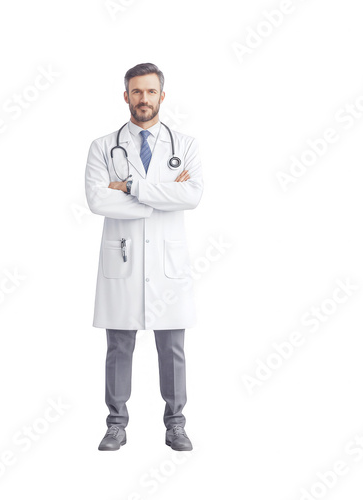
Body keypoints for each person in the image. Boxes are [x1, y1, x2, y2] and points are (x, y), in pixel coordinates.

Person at [84, 62, 204, 451]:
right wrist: (160, 194)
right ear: (125, 96)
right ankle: (116, 424)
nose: (144, 99)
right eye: (136, 92)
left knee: (172, 348)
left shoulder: (185, 145)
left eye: (151, 92)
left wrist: (133, 186)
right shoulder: (103, 146)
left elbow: (192, 195)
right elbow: (98, 200)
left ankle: (176, 424)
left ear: (162, 96)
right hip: (124, 260)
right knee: (119, 346)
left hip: (167, 266)